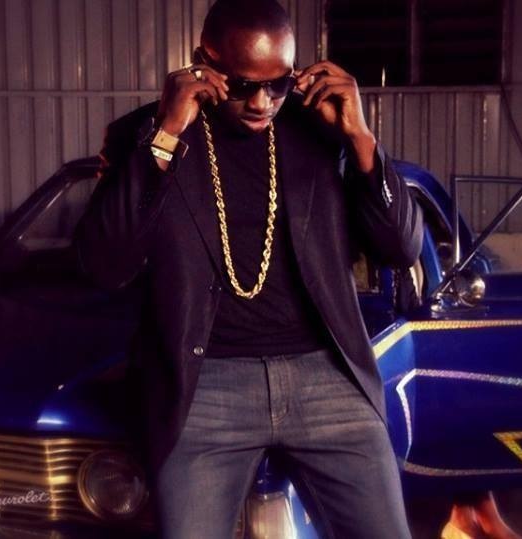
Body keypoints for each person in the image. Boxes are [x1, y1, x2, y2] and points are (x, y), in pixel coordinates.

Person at [73, 0, 423, 537]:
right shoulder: (142, 135)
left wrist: (361, 138)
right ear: (204, 63)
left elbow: (401, 247)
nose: (262, 103)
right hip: (205, 387)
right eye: (242, 86)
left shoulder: (323, 130)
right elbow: (102, 264)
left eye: (278, 84)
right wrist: (166, 134)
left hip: (326, 378)